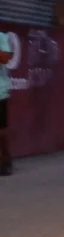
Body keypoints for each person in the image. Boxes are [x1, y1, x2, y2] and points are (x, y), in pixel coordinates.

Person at [0, 29, 12, 175]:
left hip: (0, 91)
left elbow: (5, 58)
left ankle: (4, 160)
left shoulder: (1, 37)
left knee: (1, 132)